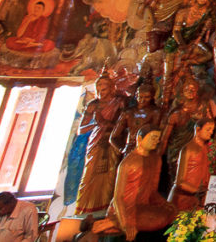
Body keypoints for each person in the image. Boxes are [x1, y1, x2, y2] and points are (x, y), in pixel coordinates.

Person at [106, 126, 176, 241]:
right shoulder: (127, 163)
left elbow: (152, 192)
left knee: (171, 213)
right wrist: (125, 223)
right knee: (160, 219)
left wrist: (165, 204)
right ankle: (112, 222)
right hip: (127, 208)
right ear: (139, 139)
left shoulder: (156, 159)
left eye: (158, 138)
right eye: (153, 137)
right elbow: (118, 197)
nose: (157, 141)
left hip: (144, 206)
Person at [75, 75, 126, 214]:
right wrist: (96, 123)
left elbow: (124, 123)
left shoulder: (119, 103)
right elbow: (80, 130)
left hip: (113, 141)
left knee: (111, 175)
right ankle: (83, 208)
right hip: (96, 141)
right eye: (99, 89)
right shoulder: (94, 105)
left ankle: (105, 209)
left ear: (111, 88)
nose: (101, 92)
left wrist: (106, 123)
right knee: (88, 174)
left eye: (104, 89)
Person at [168, 119, 215, 211]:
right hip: (184, 197)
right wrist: (196, 190)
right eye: (208, 129)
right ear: (198, 130)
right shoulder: (188, 149)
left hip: (200, 199)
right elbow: (179, 181)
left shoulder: (208, 149)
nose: (211, 132)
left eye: (212, 130)